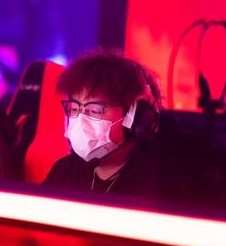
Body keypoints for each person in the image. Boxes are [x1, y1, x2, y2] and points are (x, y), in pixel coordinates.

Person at [44, 50, 186, 201]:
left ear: (136, 116)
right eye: (73, 109)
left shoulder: (164, 182)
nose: (81, 121)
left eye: (95, 110)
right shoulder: (65, 171)